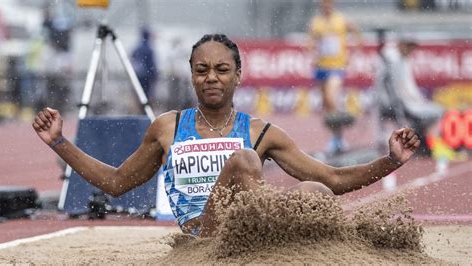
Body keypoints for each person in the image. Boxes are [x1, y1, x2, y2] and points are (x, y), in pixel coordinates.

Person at [33, 34, 420, 238]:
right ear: (192, 76)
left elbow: (332, 178)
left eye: (221, 69)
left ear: (238, 76)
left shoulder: (259, 131)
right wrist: (58, 142)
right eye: (202, 70)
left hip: (256, 228)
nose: (212, 77)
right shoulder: (168, 127)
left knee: (315, 193)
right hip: (204, 234)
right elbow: (116, 183)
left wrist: (390, 162)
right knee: (245, 160)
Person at [375, 34, 445, 158]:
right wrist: (413, 102)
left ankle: (424, 142)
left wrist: (419, 100)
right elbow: (396, 88)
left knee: (436, 111)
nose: (411, 50)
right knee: (436, 112)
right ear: (401, 44)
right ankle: (425, 144)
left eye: (412, 47)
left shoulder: (402, 60)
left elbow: (409, 87)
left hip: (406, 103)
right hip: (396, 104)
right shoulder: (392, 60)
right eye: (409, 46)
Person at [307, 0, 362, 154]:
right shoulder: (316, 22)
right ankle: (336, 138)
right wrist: (312, 51)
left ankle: (343, 123)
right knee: (327, 107)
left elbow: (357, 34)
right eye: (323, 3)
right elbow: (310, 42)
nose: (326, 6)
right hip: (321, 67)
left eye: (328, 3)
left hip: (337, 67)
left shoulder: (341, 20)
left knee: (331, 97)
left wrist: (352, 53)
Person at [131, 27, 159, 103]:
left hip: (138, 75)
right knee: (147, 96)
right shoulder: (149, 49)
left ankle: (139, 110)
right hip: (147, 77)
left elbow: (132, 61)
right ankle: (146, 110)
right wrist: (155, 75)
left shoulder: (136, 48)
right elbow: (151, 64)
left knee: (138, 94)